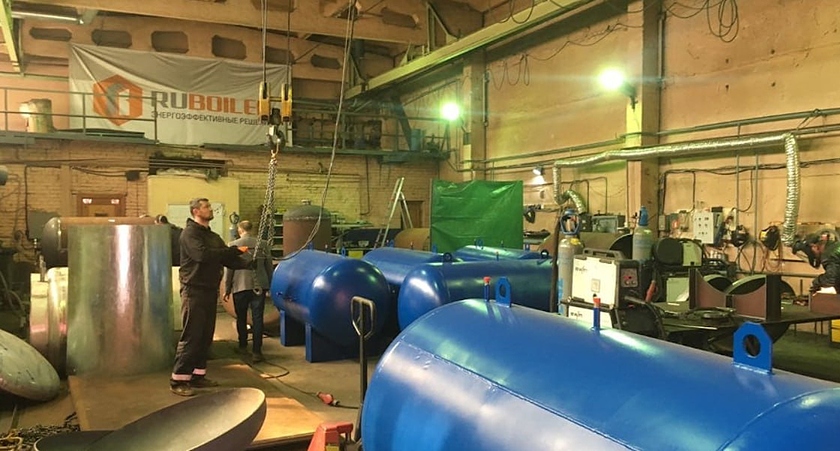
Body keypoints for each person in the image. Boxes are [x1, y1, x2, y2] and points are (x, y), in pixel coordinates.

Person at [170, 198, 249, 397]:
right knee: (192, 335)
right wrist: (232, 250)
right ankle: (178, 380)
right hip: (194, 291)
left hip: (209, 290)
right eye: (206, 207)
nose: (210, 209)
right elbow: (202, 256)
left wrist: (249, 263)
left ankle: (197, 376)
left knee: (205, 336)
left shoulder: (212, 236)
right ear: (196, 211)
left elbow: (226, 258)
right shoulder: (190, 234)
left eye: (210, 207)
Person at [224, 220, 273, 363]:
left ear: (239, 230)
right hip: (259, 286)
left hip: (240, 286)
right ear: (251, 229)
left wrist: (227, 288)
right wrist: (270, 285)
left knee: (241, 317)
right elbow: (269, 267)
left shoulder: (233, 245)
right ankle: (257, 352)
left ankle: (243, 346)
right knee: (258, 319)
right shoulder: (263, 244)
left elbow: (229, 269)